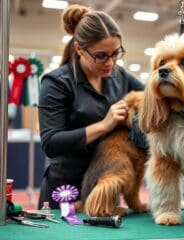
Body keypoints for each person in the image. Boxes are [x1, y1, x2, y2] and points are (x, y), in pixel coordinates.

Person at [38, 4, 144, 209]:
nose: (110, 63)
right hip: (66, 190)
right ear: (79, 49)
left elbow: (152, 97)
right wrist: (104, 125)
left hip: (105, 189)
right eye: (101, 55)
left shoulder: (119, 75)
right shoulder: (57, 83)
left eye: (116, 53)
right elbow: (51, 142)